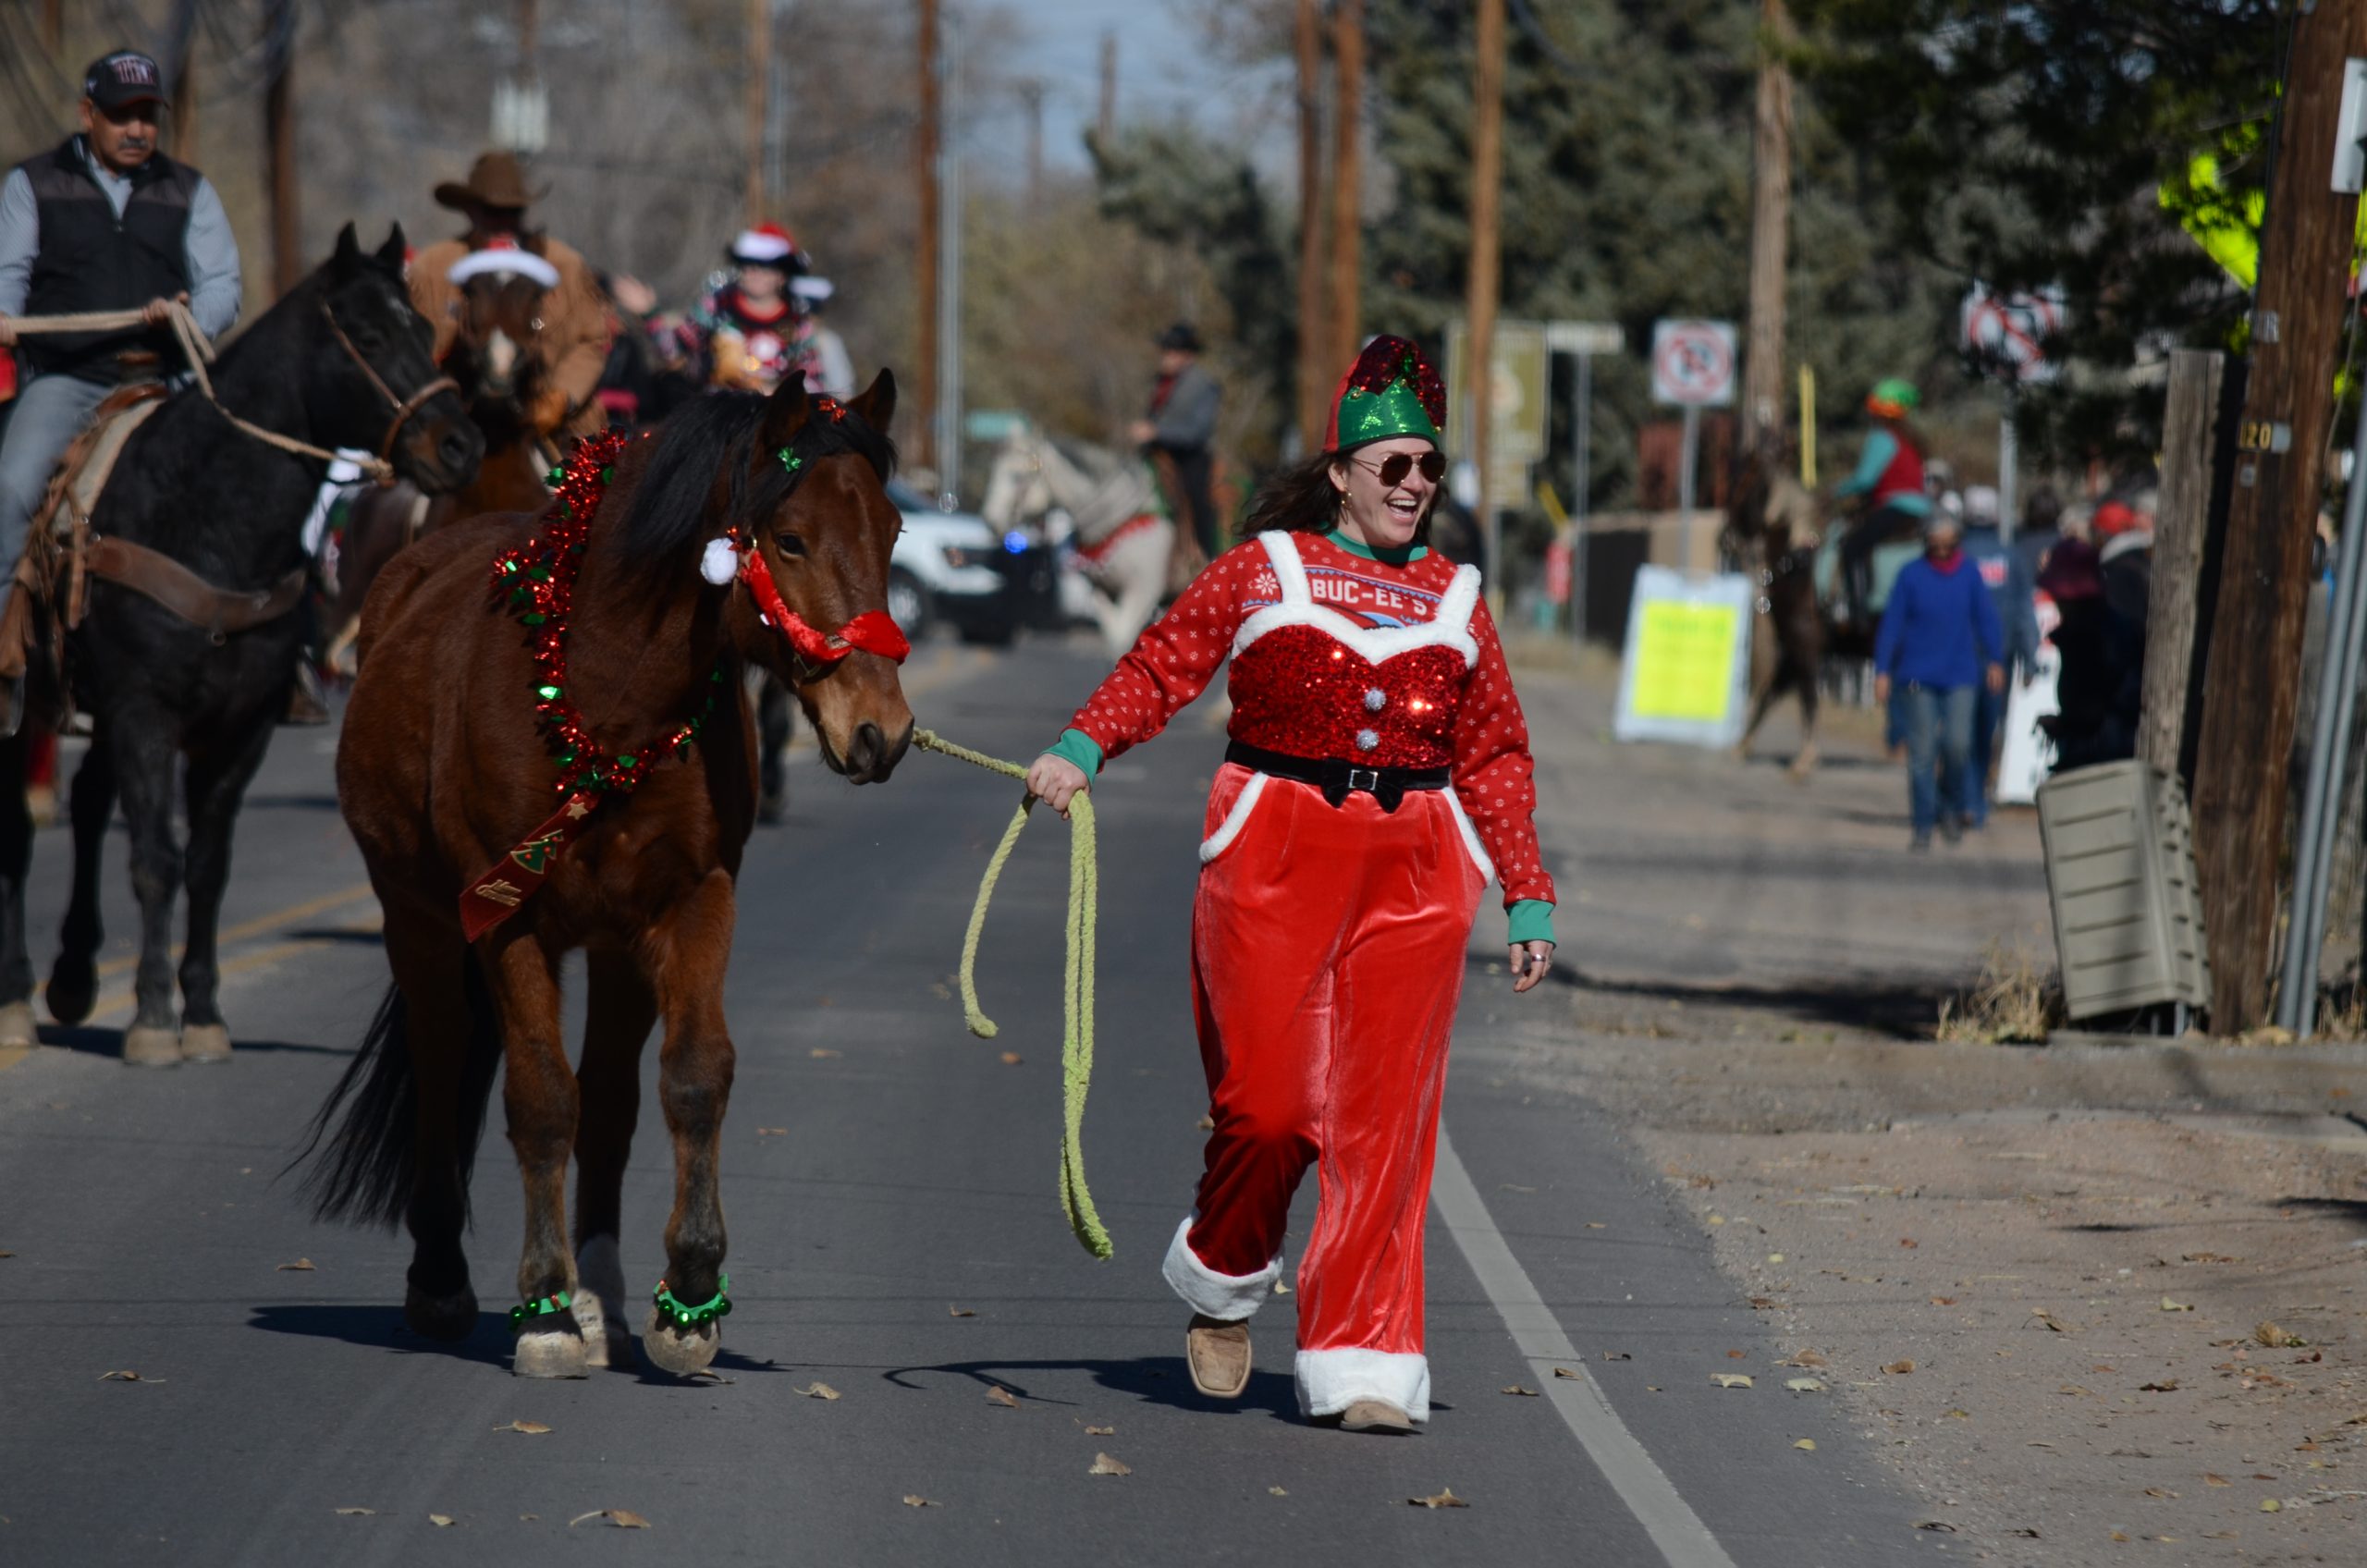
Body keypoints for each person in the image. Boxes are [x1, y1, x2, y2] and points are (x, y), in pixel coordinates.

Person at [1025, 336, 1556, 1434]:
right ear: (1341, 472)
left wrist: (1526, 890)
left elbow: (1495, 751)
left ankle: (1364, 1355)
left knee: (1380, 1126)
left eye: (1429, 468)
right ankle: (1226, 1270)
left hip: (1413, 866)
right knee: (1270, 1109)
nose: (1415, 486)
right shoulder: (1262, 568)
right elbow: (1165, 662)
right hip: (1270, 849)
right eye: (1394, 466)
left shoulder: (1459, 599)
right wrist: (1083, 749)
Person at [0, 50, 242, 736]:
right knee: (12, 491)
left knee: (249, 486)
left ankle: (290, 654)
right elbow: (6, 273)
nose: (136, 130)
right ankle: (3, 659)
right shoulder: (34, 184)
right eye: (121, 116)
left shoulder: (188, 190)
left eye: (146, 117)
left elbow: (223, 284)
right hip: (67, 381)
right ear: (89, 115)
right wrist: (5, 319)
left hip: (161, 382)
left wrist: (196, 315)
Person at [408, 152, 610, 442]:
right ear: (470, 210)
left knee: (594, 478)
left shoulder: (565, 265)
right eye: (492, 211)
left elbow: (592, 340)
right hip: (454, 424)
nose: (503, 222)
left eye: (514, 212)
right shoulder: (432, 268)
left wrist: (562, 398)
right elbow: (412, 347)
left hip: (550, 426)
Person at [1874, 512, 2005, 850]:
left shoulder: (1970, 574)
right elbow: (1892, 625)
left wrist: (1995, 659)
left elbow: (1986, 619)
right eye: (1937, 545)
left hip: (1961, 674)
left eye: (1950, 545)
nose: (1944, 551)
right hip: (1917, 677)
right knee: (1922, 753)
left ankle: (1950, 806)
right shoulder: (1911, 576)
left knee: (1958, 745)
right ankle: (1922, 823)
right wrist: (1883, 671)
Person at [688, 224, 852, 399]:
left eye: (765, 266)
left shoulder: (797, 323)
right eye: (748, 264)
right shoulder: (716, 307)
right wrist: (654, 316)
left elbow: (814, 383)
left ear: (782, 275)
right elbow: (674, 352)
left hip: (774, 415)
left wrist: (775, 392)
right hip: (716, 408)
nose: (755, 272)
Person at [1957, 485, 2041, 827]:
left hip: (1959, 661)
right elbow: (2023, 611)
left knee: (1958, 731)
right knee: (1986, 730)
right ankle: (1974, 800)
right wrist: (2029, 657)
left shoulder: (1956, 556)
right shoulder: (2011, 557)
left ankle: (1964, 798)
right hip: (1997, 661)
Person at [1834, 377, 1932, 627]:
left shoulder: (1881, 438)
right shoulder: (1910, 439)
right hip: (1920, 508)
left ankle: (1858, 614)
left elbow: (1865, 480)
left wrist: (1835, 492)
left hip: (1896, 507)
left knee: (1852, 546)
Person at [1131, 322, 1222, 564]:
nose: (1166, 357)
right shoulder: (1159, 382)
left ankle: (1207, 555)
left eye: (1172, 351)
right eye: (1165, 350)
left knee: (1197, 497)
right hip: (1157, 455)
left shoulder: (1203, 385)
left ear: (1187, 355)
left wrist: (1156, 431)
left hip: (1189, 455)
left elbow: (1198, 430)